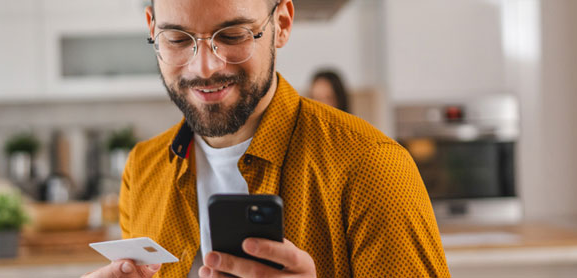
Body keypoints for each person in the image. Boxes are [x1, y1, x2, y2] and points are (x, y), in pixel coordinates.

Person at [82, 0, 449, 277]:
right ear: (152, 29)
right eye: (177, 38)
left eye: (233, 35)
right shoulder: (142, 170)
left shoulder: (374, 167)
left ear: (283, 24)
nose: (204, 67)